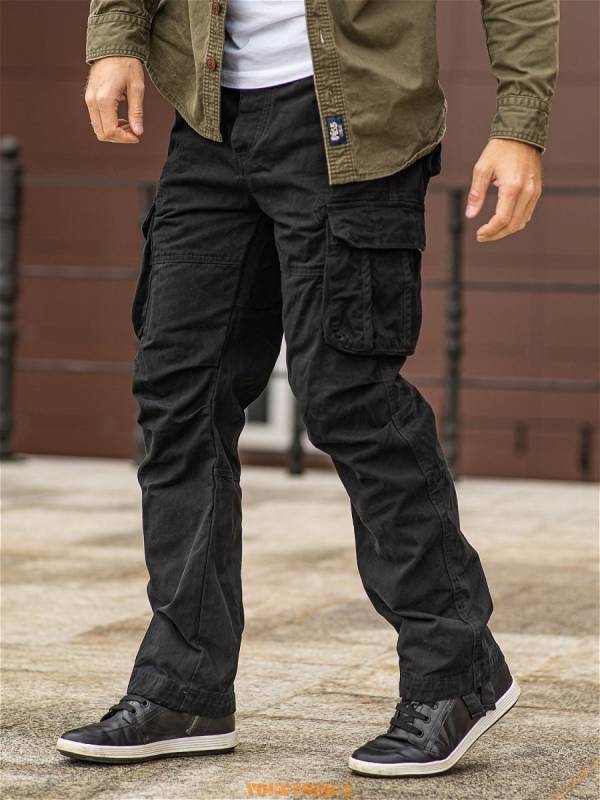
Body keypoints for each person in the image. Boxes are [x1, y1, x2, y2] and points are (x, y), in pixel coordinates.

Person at [57, 0, 559, 777]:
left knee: (347, 395)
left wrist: (520, 124)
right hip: (212, 117)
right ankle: (184, 684)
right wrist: (115, 38)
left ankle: (456, 672)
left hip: (354, 121)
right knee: (179, 392)